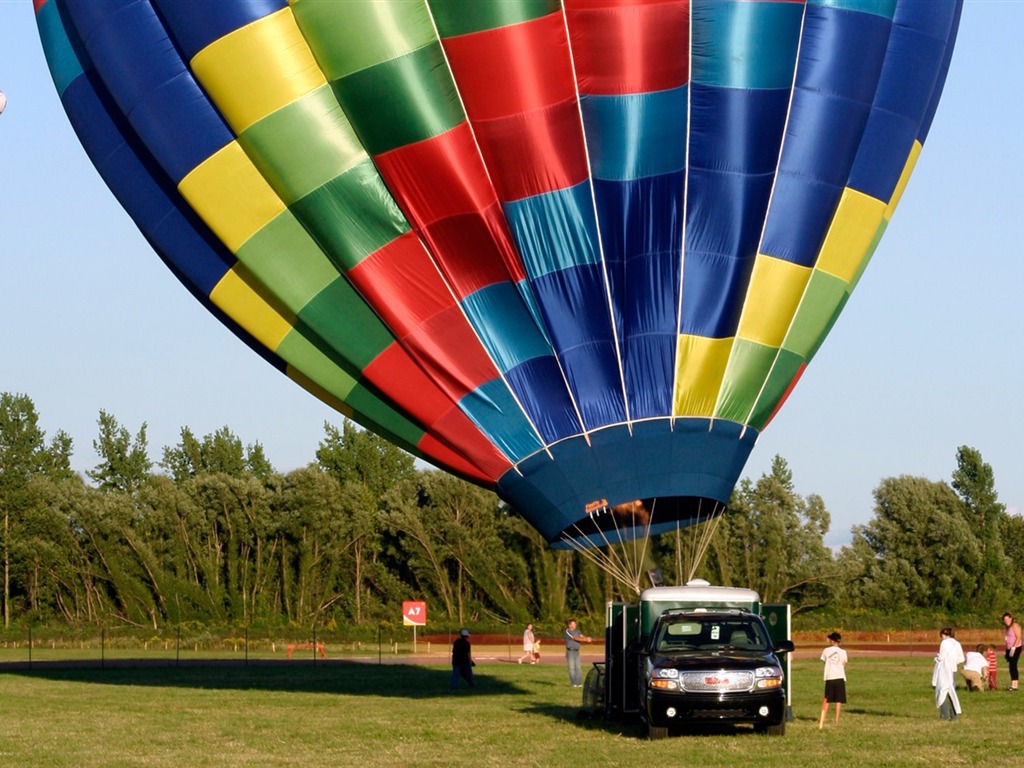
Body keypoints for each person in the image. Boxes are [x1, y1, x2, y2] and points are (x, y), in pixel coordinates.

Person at [932, 627, 964, 720]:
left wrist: (936, 658)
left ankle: (944, 715)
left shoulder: (944, 643)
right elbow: (961, 658)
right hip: (953, 670)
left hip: (944, 670)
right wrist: (954, 663)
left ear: (943, 635)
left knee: (941, 691)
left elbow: (941, 657)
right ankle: (954, 716)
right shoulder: (957, 643)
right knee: (952, 692)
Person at [818, 631, 848, 729]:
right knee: (838, 700)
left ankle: (824, 718)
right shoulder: (843, 652)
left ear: (832, 640)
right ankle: (836, 720)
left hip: (830, 677)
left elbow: (824, 661)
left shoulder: (826, 650)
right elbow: (844, 663)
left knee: (827, 699)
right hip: (840, 677)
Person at [564, 619, 593, 687]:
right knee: (571, 668)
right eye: (573, 624)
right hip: (570, 651)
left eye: (575, 624)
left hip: (577, 651)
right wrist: (586, 640)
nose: (574, 625)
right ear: (569, 625)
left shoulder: (577, 631)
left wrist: (587, 638)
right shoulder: (567, 631)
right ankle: (574, 683)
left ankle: (579, 683)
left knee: (578, 667)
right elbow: (575, 638)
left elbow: (581, 636)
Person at [1003, 612, 1022, 691]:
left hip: (1016, 648)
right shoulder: (1007, 627)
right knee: (1011, 666)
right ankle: (1013, 684)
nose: (1006, 621)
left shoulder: (1015, 626)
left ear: (1011, 618)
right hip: (1009, 648)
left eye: (1007, 619)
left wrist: (1013, 648)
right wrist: (1007, 650)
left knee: (1013, 665)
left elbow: (1018, 637)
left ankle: (1015, 685)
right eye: (1005, 619)